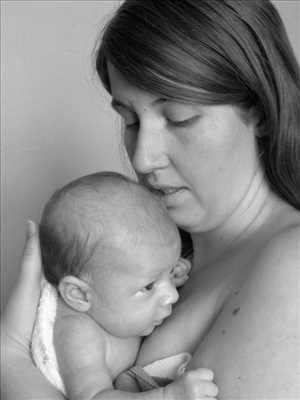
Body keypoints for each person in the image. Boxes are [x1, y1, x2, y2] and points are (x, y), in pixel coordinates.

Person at [2, 0, 300, 398]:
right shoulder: (145, 254)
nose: (142, 157)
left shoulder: (291, 265)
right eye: (130, 120)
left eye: (178, 118)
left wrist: (11, 359)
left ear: (260, 109)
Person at [31, 170, 218, 399]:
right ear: (79, 295)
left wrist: (164, 272)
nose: (172, 295)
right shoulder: (78, 334)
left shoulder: (110, 294)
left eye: (169, 273)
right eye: (149, 286)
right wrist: (167, 396)